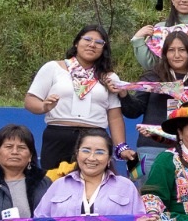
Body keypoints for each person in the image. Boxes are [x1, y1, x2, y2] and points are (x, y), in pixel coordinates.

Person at [25, 26, 134, 173]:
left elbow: (114, 116)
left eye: (99, 42)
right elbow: (30, 100)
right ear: (76, 43)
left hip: (95, 139)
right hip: (58, 137)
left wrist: (122, 147)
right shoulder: (53, 68)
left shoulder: (108, 77)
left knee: (94, 186)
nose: (92, 44)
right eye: (87, 39)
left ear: (104, 48)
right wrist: (44, 107)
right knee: (53, 185)